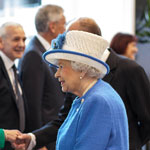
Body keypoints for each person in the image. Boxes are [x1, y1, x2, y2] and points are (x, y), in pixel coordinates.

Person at [14, 17, 150, 150]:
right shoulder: (84, 95)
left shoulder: (98, 99)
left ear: (81, 68)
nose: (56, 74)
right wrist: (33, 138)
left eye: (61, 66)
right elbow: (63, 122)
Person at [18, 4, 66, 147]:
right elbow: (32, 104)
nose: (65, 30)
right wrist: (38, 142)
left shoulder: (44, 51)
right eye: (64, 24)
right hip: (45, 138)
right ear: (52, 26)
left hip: (51, 134)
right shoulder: (34, 54)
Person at [0, 22, 27, 150]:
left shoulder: (13, 67)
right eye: (16, 39)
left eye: (24, 39)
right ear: (1, 42)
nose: (21, 44)